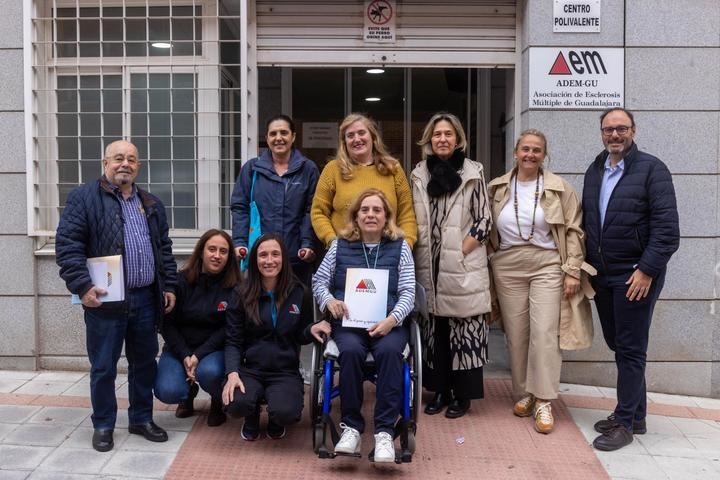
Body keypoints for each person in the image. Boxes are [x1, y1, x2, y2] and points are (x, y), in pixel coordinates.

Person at [56, 140, 177, 452]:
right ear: (105, 163)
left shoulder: (151, 202)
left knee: (144, 364)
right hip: (105, 300)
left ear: (138, 166)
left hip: (146, 299)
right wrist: (82, 286)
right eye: (119, 158)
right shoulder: (84, 198)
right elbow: (68, 246)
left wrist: (169, 286)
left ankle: (141, 419)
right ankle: (103, 424)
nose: (125, 164)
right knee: (103, 367)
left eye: (132, 159)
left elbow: (164, 249)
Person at [582, 108, 679, 451]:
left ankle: (624, 423)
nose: (615, 134)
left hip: (636, 275)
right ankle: (636, 415)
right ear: (601, 133)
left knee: (631, 348)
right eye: (608, 129)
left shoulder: (653, 169)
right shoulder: (595, 169)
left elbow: (667, 231)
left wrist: (646, 270)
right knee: (619, 344)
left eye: (621, 128)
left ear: (633, 131)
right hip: (603, 275)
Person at [487, 129, 594, 434]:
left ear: (544, 155)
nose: (530, 155)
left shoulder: (560, 188)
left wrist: (572, 269)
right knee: (517, 334)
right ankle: (527, 394)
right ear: (515, 153)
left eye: (537, 150)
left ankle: (545, 400)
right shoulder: (497, 187)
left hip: (547, 263)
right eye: (525, 149)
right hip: (507, 265)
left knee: (545, 332)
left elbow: (574, 230)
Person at [312, 188, 415, 463]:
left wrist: (392, 319)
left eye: (377, 210)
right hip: (349, 324)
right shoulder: (339, 246)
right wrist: (330, 300)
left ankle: (384, 433)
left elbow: (408, 292)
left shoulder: (401, 247)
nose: (370, 215)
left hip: (388, 324)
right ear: (356, 216)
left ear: (386, 217)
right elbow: (319, 281)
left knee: (390, 352)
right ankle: (352, 428)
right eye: (365, 210)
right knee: (350, 352)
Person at [410, 112, 491, 419]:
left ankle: (463, 395)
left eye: (448, 134)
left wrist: (460, 252)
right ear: (429, 140)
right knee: (435, 331)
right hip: (428, 265)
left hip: (462, 263)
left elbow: (484, 220)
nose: (442, 139)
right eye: (437, 134)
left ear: (458, 139)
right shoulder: (419, 174)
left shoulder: (473, 172)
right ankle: (440, 390)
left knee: (463, 328)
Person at [222, 233, 322, 440]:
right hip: (251, 368)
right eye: (263, 255)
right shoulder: (241, 293)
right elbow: (233, 340)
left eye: (275, 254)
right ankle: (251, 414)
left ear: (283, 258)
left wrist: (311, 329)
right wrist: (232, 373)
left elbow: (301, 335)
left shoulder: (299, 292)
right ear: (255, 260)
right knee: (235, 404)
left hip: (284, 370)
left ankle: (276, 419)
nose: (269, 260)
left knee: (286, 412)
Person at [154, 229, 240, 427]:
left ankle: (217, 400)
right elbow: (167, 324)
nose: (217, 255)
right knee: (167, 390)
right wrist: (185, 354)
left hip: (214, 351)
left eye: (223, 251)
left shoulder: (235, 287)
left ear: (229, 257)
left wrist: (198, 355)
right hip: (179, 349)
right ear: (201, 251)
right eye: (212, 249)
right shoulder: (179, 281)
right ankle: (187, 394)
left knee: (209, 373)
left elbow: (228, 328)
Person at [231, 114, 319, 285]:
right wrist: (240, 242)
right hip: (261, 257)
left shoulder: (307, 169)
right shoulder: (252, 169)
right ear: (267, 138)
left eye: (284, 133)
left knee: (295, 300)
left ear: (293, 136)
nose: (278, 138)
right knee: (259, 300)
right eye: (273, 134)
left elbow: (312, 210)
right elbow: (240, 207)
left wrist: (307, 243)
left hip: (296, 257)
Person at [311, 113, 417, 249]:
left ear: (373, 137)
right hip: (345, 252)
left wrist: (406, 245)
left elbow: (407, 214)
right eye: (350, 135)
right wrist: (332, 241)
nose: (357, 139)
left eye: (361, 133)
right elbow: (318, 212)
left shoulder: (392, 169)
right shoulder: (332, 170)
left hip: (387, 252)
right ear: (344, 142)